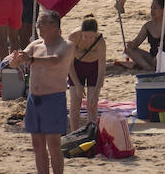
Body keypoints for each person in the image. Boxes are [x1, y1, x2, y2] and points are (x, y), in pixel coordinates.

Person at [10, 10, 75, 174]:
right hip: (34, 99)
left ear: (54, 26)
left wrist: (30, 60)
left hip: (53, 98)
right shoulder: (36, 44)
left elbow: (56, 60)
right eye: (38, 22)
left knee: (54, 144)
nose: (38, 26)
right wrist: (15, 59)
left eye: (41, 23)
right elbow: (15, 62)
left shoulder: (65, 45)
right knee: (37, 144)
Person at [69, 15, 107, 132]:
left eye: (92, 37)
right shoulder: (73, 37)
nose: (89, 40)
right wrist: (78, 85)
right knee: (75, 102)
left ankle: (91, 133)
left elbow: (101, 68)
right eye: (86, 36)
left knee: (92, 104)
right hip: (77, 66)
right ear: (81, 32)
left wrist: (96, 92)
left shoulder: (100, 42)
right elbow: (69, 64)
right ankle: (74, 132)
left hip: (93, 67)